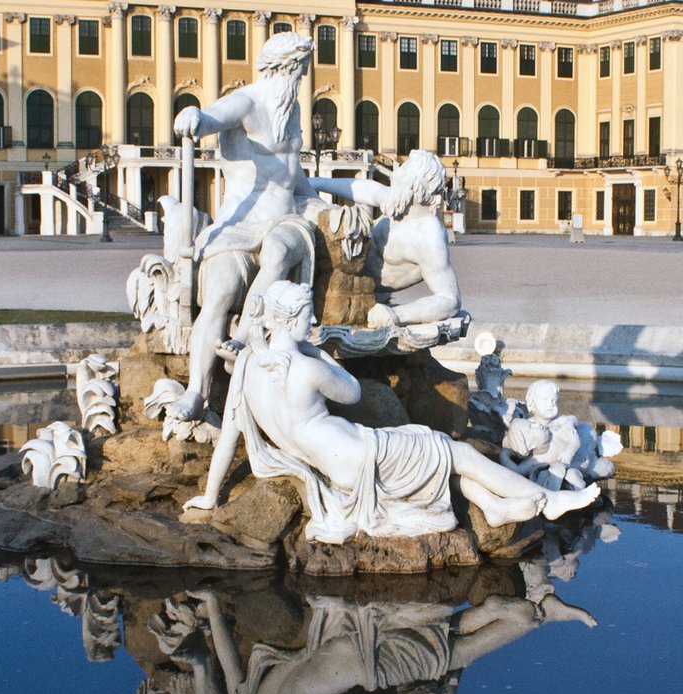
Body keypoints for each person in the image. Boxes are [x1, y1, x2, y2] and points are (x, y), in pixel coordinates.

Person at [184, 281, 600, 541]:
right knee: (452, 449)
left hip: (344, 462)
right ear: (288, 319)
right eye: (306, 313)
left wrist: (208, 495)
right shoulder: (307, 367)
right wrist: (319, 350)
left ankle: (493, 507)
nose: (313, 318)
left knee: (431, 448)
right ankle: (546, 500)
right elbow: (348, 393)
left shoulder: (247, 369)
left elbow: (229, 437)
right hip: (360, 459)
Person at [168, 32, 318, 422]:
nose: (301, 78)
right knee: (219, 290)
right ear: (284, 67)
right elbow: (214, 116)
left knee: (279, 251)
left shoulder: (291, 109)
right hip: (239, 225)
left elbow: (290, 172)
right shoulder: (247, 101)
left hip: (285, 221)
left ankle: (241, 337)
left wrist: (317, 199)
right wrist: (195, 117)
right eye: (300, 70)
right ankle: (197, 392)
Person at [310, 150, 462, 328]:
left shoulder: (428, 235)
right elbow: (363, 189)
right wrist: (316, 183)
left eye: (404, 170)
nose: (396, 174)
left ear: (417, 184)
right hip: (333, 266)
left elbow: (450, 299)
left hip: (348, 285)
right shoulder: (400, 206)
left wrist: (396, 314)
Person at [500, 379, 620, 490]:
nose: (551, 404)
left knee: (585, 430)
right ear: (532, 404)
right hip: (571, 464)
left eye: (554, 401)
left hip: (577, 449)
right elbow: (518, 470)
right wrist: (504, 455)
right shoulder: (528, 429)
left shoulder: (558, 420)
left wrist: (569, 424)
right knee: (572, 473)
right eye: (545, 400)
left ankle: (594, 458)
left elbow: (572, 420)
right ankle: (585, 477)